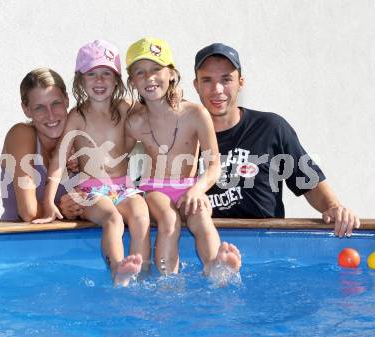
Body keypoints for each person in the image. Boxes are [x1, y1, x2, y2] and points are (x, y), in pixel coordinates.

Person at [193, 43, 360, 237]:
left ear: (241, 82)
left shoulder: (271, 128)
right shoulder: (182, 134)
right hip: (203, 247)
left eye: (226, 79)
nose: (217, 89)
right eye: (207, 80)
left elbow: (308, 182)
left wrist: (334, 208)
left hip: (267, 250)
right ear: (196, 85)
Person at [33, 40, 151, 286]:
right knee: (112, 219)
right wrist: (48, 203)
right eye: (92, 74)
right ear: (80, 80)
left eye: (106, 74)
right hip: (90, 190)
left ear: (117, 79)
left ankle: (142, 273)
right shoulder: (78, 116)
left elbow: (156, 119)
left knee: (141, 215)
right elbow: (57, 161)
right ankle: (118, 270)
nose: (99, 81)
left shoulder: (126, 107)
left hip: (124, 187)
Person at [125, 37, 241, 279]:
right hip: (155, 187)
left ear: (171, 73)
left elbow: (213, 164)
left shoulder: (195, 114)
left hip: (189, 186)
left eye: (156, 69)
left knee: (202, 220)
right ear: (132, 81)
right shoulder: (135, 120)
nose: (149, 78)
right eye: (140, 72)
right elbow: (114, 155)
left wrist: (198, 189)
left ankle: (215, 269)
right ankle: (168, 280)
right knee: (169, 221)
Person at [0, 67, 79, 222]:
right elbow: (28, 211)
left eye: (56, 103)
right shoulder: (21, 134)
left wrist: (82, 204)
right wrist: (64, 211)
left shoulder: (79, 135)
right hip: (22, 242)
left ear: (67, 100)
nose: (50, 115)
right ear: (26, 110)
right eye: (39, 107)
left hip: (73, 243)